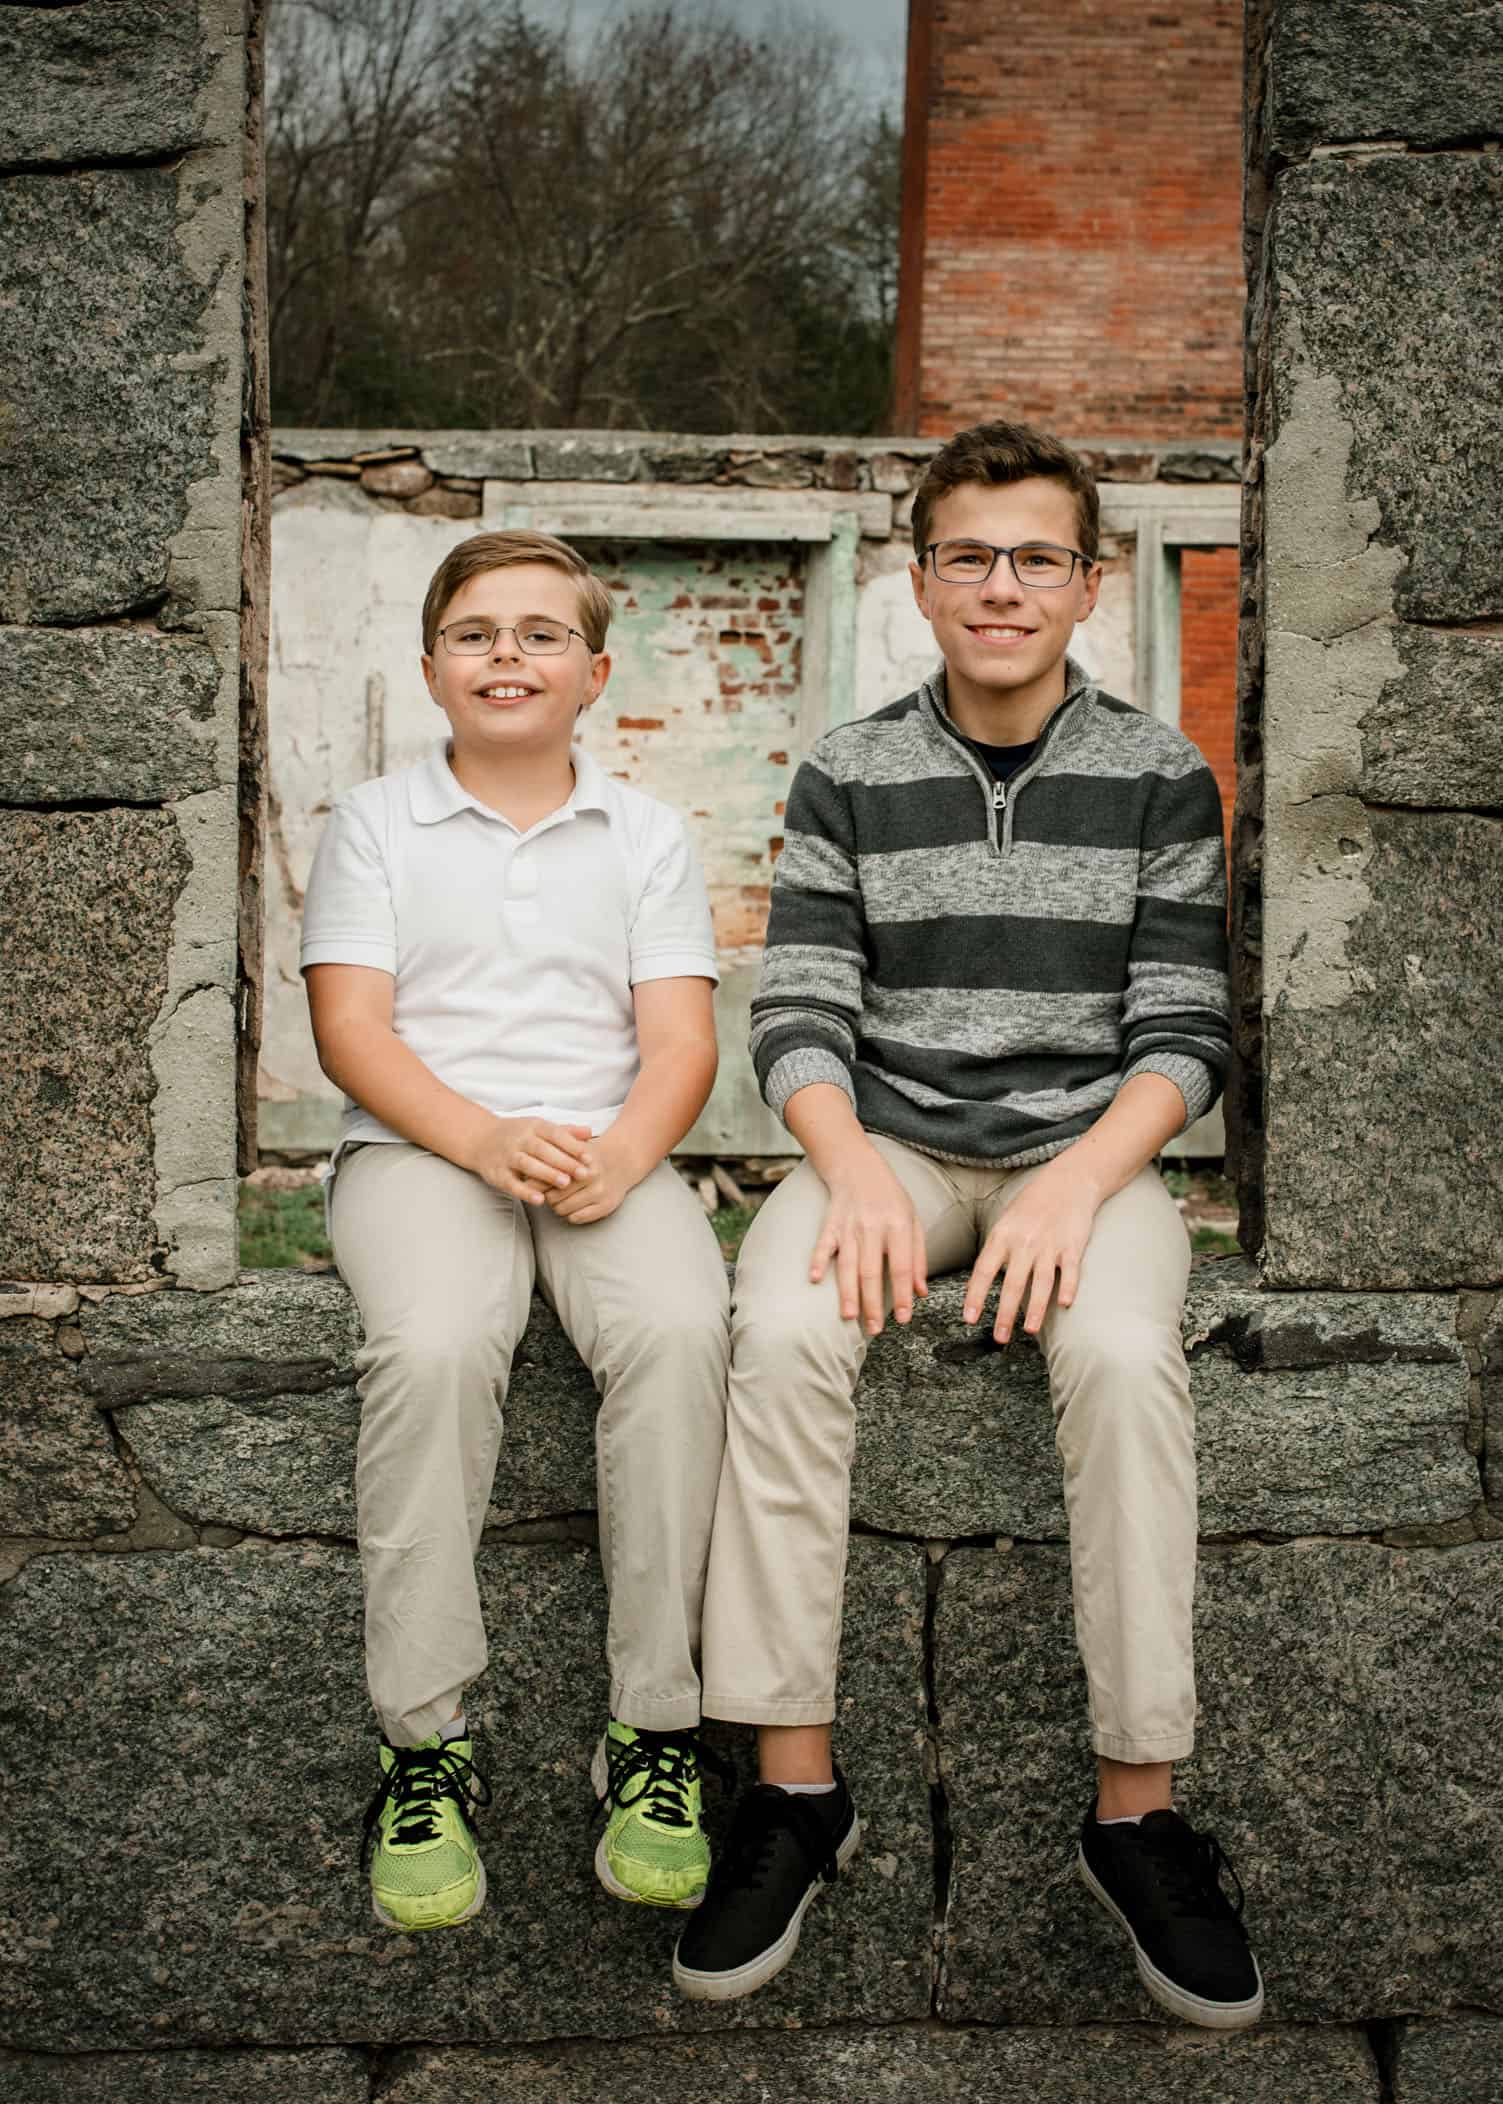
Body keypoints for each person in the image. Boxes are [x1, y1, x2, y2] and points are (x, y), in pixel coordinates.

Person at [678, 423, 1263, 2027]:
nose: (1002, 586)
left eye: (1036, 557)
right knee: (779, 1323)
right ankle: (796, 1789)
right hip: (890, 1151)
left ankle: (1135, 1813)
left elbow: (1185, 1031)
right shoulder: (848, 771)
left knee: (1125, 1356)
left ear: (1088, 582)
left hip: (1094, 1159)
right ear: (921, 579)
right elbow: (799, 1008)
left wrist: (1081, 1180)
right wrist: (851, 1165)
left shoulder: (1159, 775)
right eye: (969, 556)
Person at [301, 529, 731, 1933]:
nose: (509, 656)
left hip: (607, 1151)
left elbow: (681, 1041)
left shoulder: (648, 834)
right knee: (433, 1347)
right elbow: (351, 1030)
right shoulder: (375, 822)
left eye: (544, 635)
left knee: (681, 1330)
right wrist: (481, 1137)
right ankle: (425, 1745)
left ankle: (655, 1731)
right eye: (477, 633)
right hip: (422, 1148)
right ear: (432, 667)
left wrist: (627, 1155)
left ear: (595, 674)